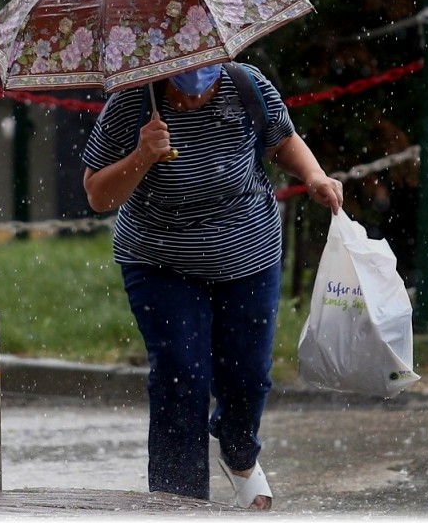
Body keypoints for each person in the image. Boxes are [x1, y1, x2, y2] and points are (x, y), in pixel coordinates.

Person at [81, 62, 342, 510]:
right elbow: (98, 195)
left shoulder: (246, 84)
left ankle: (240, 452)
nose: (197, 80)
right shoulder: (131, 102)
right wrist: (142, 154)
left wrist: (314, 176)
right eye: (185, 69)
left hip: (248, 254)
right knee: (181, 376)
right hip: (160, 261)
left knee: (249, 378)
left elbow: (282, 141)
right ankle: (178, 502)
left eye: (207, 68)